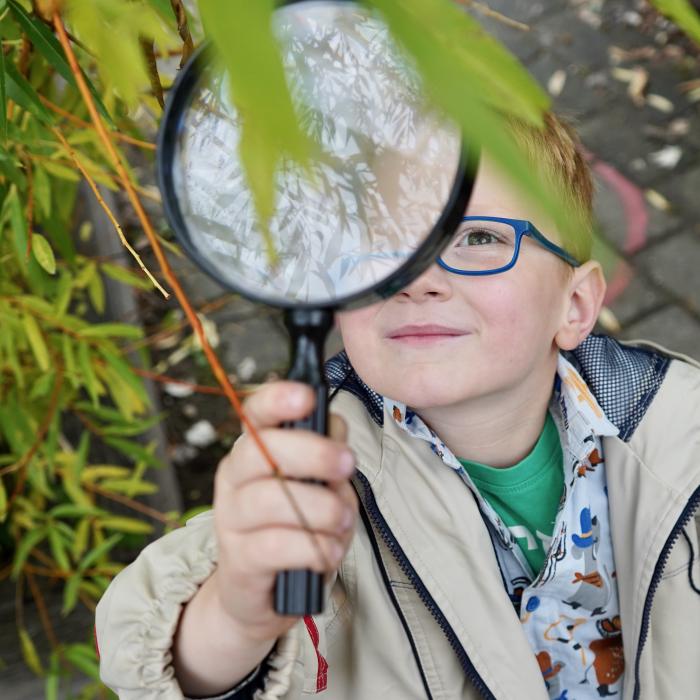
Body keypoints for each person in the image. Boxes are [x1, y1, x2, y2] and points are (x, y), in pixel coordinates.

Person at [95, 113, 700, 700]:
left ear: (574, 306)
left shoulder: (681, 431)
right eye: (382, 242)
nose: (418, 279)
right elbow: (155, 656)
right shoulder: (314, 478)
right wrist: (238, 610)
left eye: (479, 238)